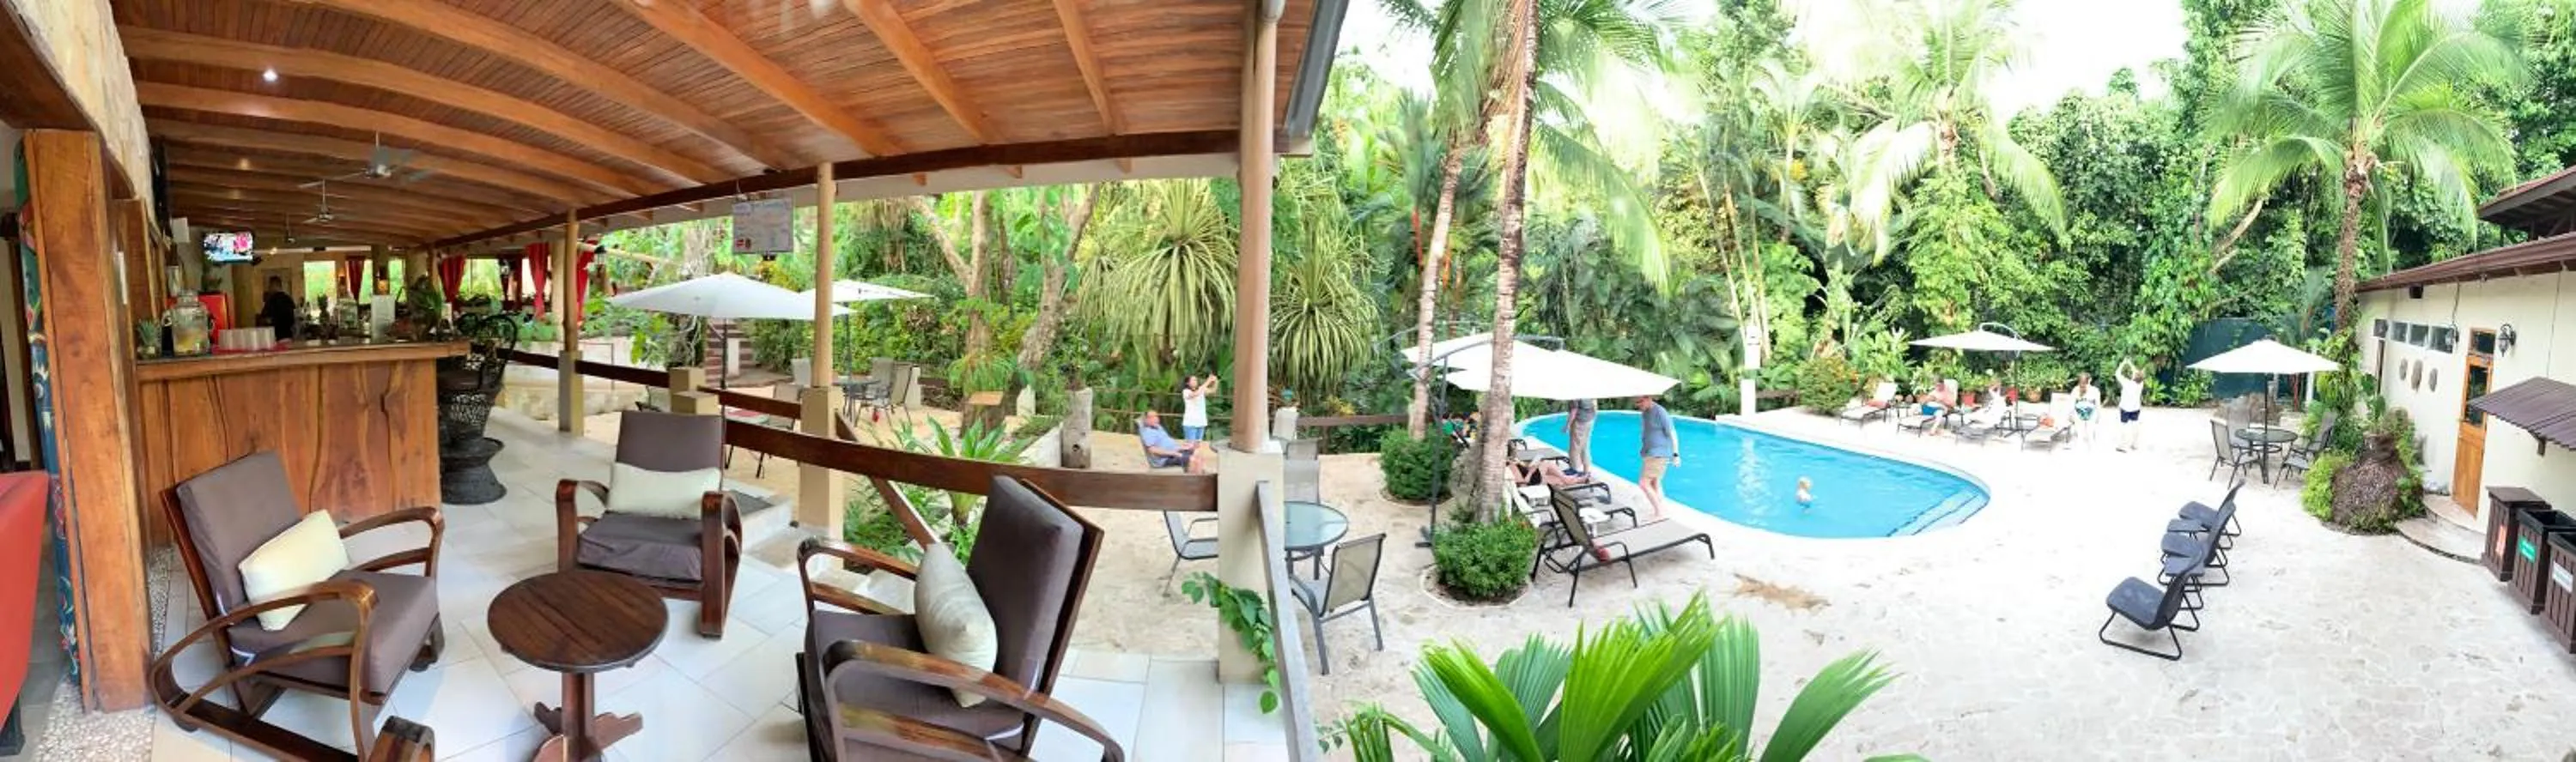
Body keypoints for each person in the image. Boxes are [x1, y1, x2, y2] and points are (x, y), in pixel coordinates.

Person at [1636, 394, 1680, 520]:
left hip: (1659, 454)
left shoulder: (1660, 412)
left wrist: (1676, 454)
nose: (1638, 405)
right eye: (1636, 403)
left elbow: (1672, 432)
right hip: (1649, 453)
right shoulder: (1645, 413)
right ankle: (1661, 509)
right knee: (1655, 483)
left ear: (1649, 398)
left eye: (1640, 402)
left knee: (1644, 483)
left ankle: (1659, 513)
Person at [1137, 410, 1211, 473]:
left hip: (1173, 452)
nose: (1156, 419)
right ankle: (1194, 481)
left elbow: (1167, 442)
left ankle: (1199, 475)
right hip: (1164, 459)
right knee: (1192, 460)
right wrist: (1174, 453)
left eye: (1156, 416)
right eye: (1152, 417)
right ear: (1146, 420)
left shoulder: (1158, 427)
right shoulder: (1147, 432)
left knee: (1197, 452)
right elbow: (1153, 450)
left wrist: (1182, 448)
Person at [2115, 359, 2146, 451]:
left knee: (2124, 426)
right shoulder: (2141, 384)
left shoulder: (2127, 383)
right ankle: (2135, 444)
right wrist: (2130, 363)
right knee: (2135, 425)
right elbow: (2137, 373)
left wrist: (2123, 363)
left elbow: (2117, 373)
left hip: (2125, 408)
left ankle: (2122, 446)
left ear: (2133, 376)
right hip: (2136, 408)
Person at [1564, 397, 1598, 476]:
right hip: (1590, 420)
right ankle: (1586, 471)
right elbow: (1595, 404)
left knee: (1575, 447)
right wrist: (1593, 418)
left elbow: (1574, 410)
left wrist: (1567, 425)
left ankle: (1574, 470)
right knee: (1585, 446)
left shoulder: (1575, 392)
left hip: (1580, 422)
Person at [259, 275, 298, 340]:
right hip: (288, 336)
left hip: (275, 336)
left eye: (269, 286)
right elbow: (293, 319)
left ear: (274, 285)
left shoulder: (271, 300)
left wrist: (268, 321)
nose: (268, 289)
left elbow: (264, 318)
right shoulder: (288, 299)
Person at [1180, 375, 1217, 442]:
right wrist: (1208, 381)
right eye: (1193, 380)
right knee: (1190, 445)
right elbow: (1195, 394)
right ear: (1187, 383)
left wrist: (1216, 381)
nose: (1195, 381)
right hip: (1190, 423)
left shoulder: (1201, 389)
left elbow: (1213, 391)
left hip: (1201, 422)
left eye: (1196, 380)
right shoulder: (1186, 391)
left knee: (1198, 444)